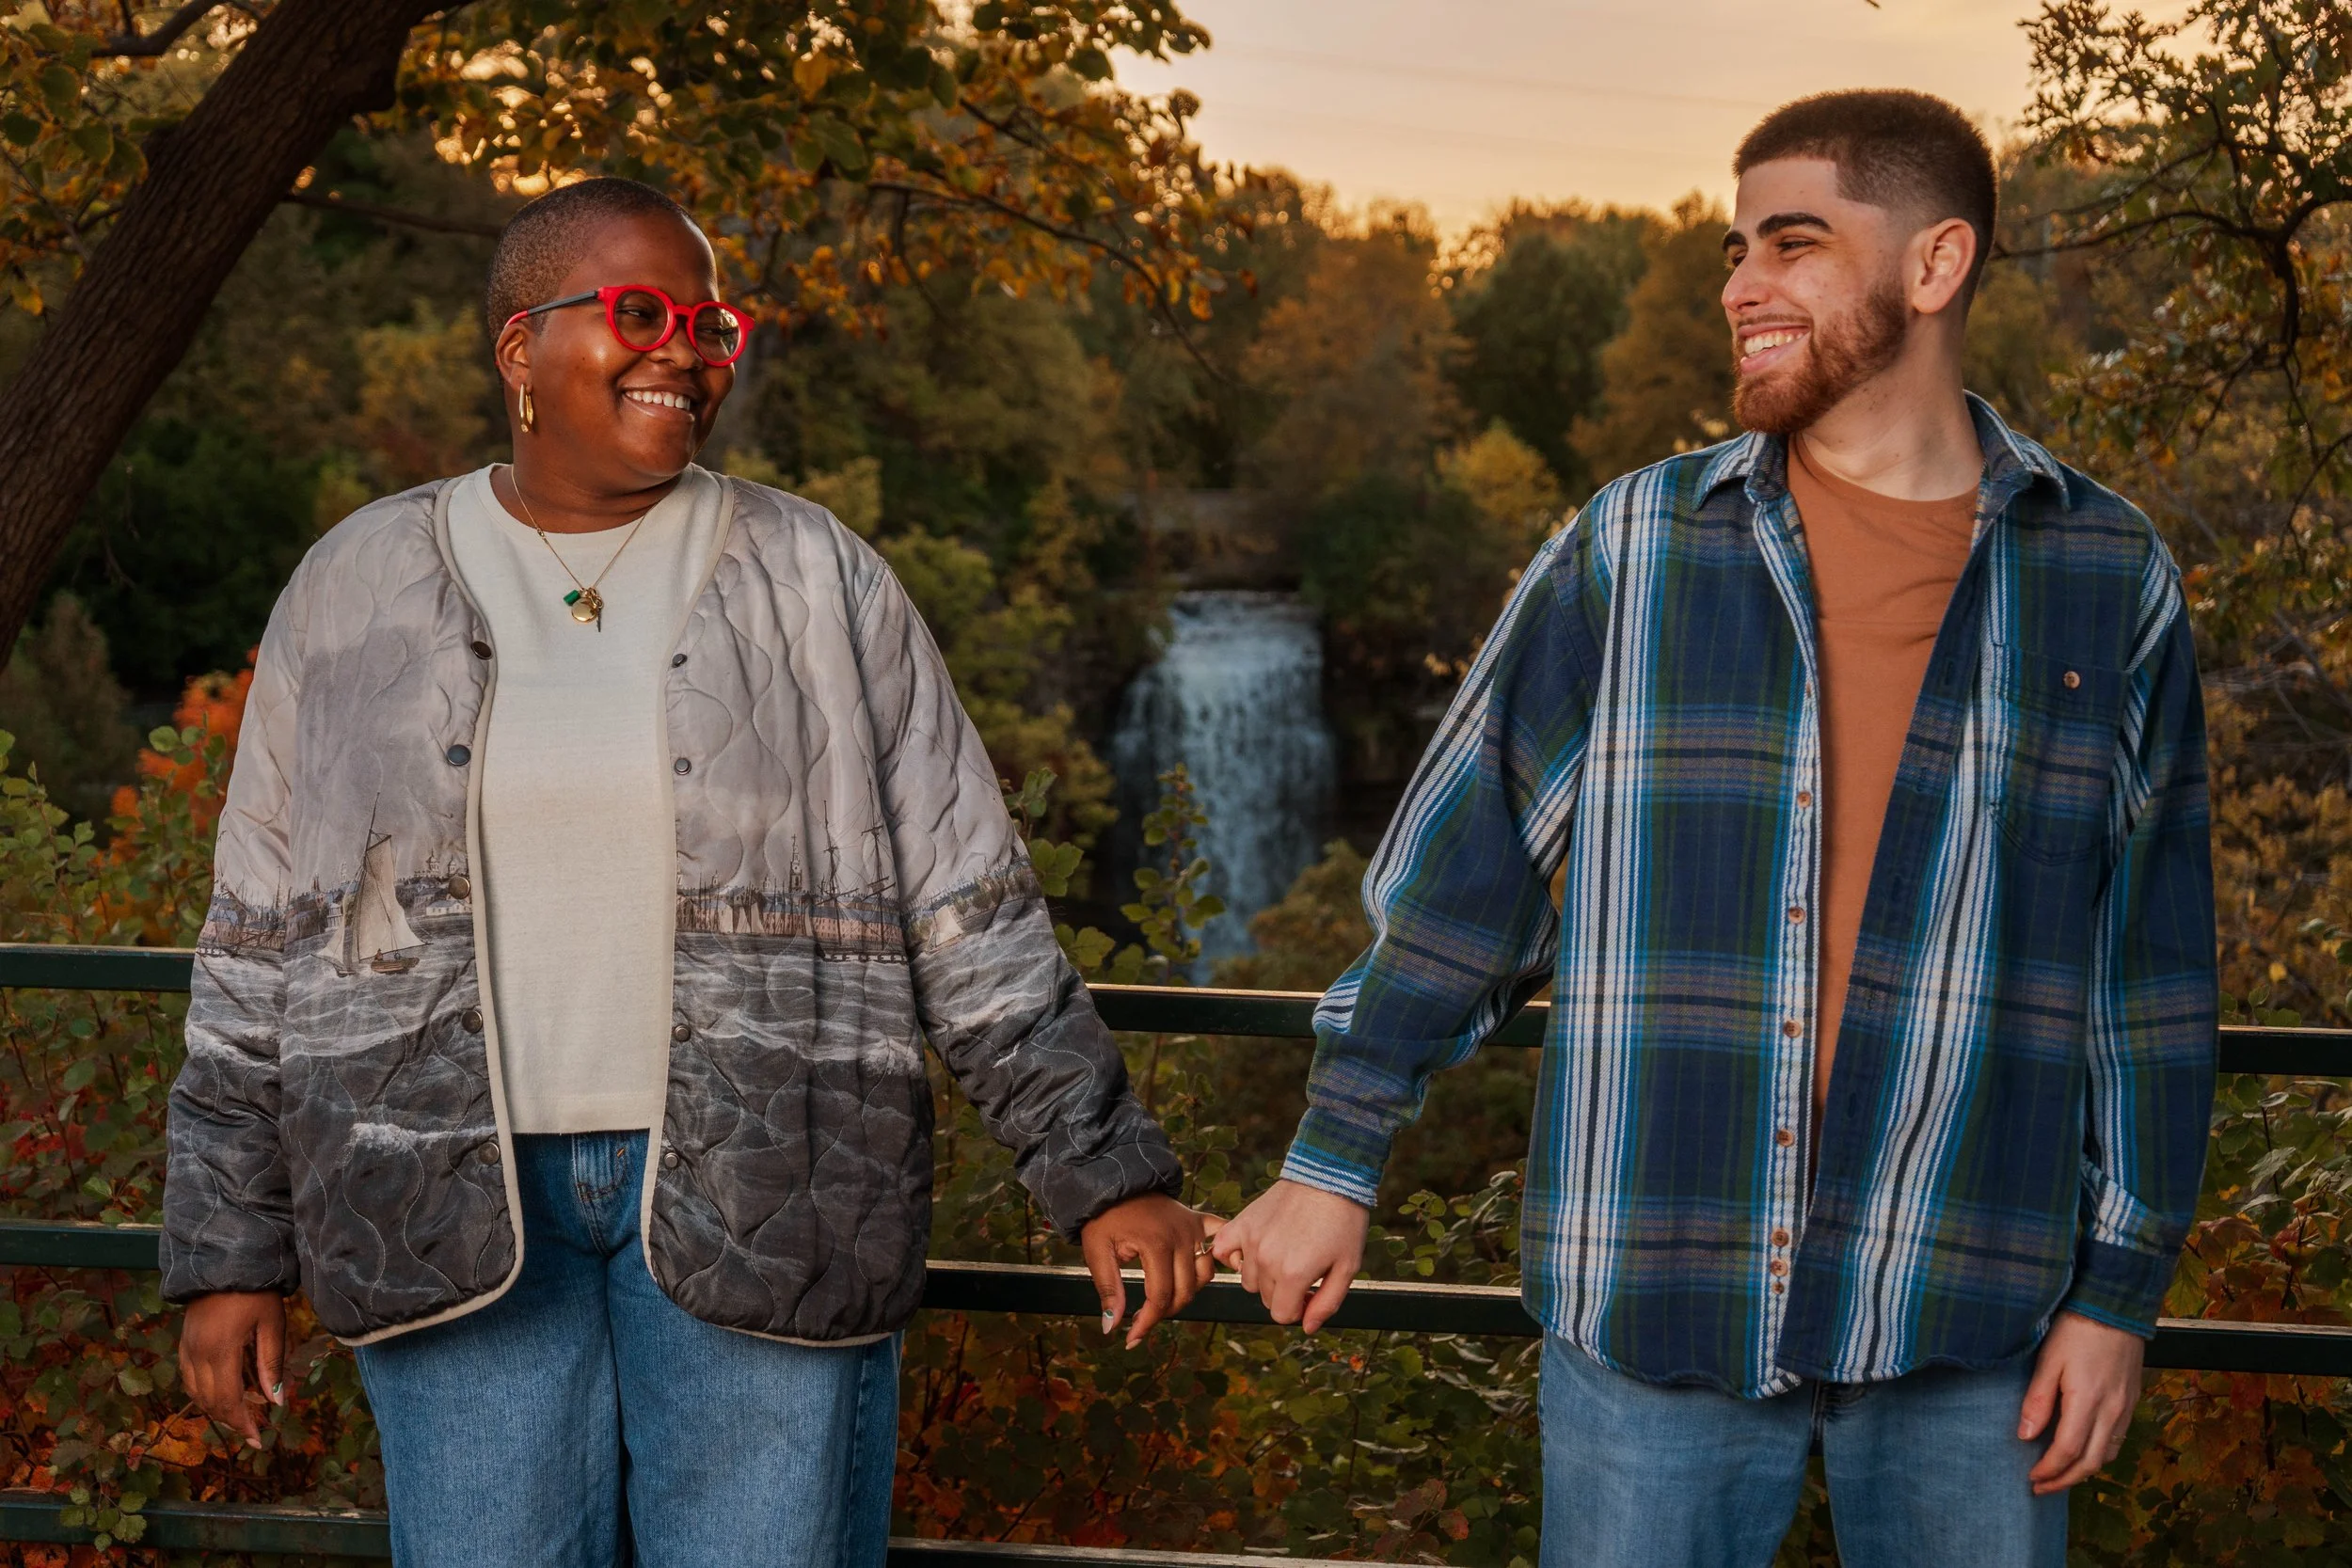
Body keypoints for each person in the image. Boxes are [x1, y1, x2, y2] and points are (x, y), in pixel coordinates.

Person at [1213, 89, 2215, 1567]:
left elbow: (2150, 975)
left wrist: (2120, 1289)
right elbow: (1465, 870)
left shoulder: (2106, 577)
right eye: (1736, 247)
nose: (1739, 286)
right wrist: (1335, 1154)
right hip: (1654, 1302)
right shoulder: (1633, 548)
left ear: (1935, 267)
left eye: (1793, 243)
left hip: (1972, 1320)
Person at [162, 177, 1218, 1567]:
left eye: (711, 324)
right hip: (438, 1212)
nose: (685, 351)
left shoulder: (818, 578)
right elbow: (258, 947)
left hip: (780, 1190)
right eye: (639, 314)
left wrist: (1103, 1170)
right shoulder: (350, 590)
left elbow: (972, 909)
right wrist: (231, 1249)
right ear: (517, 351)